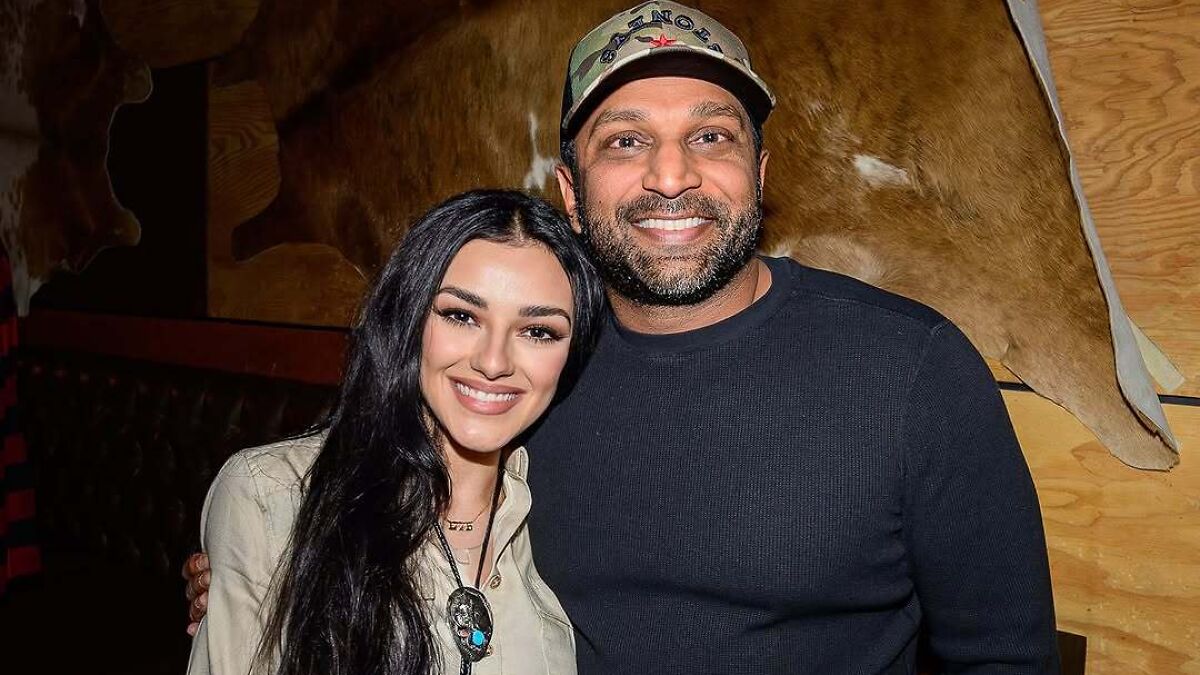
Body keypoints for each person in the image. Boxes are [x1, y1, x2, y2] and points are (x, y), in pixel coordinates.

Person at [187, 2, 1061, 672]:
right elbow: (373, 490)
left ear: (759, 175)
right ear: (571, 191)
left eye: (710, 136)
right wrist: (260, 578)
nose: (671, 175)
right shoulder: (531, 370)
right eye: (626, 140)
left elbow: (1003, 657)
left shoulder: (910, 368)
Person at [185, 189, 605, 675]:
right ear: (409, 317)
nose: (493, 362)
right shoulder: (274, 495)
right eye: (461, 316)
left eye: (538, 331)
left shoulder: (566, 508)